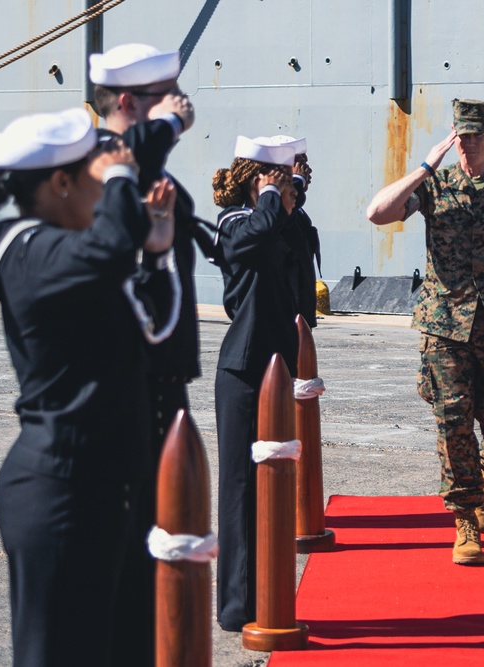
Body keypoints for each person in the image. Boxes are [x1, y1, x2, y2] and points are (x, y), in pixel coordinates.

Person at [0, 108, 175, 666]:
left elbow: (153, 333)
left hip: (104, 484)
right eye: (97, 170)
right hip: (60, 492)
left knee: (117, 647)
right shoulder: (29, 250)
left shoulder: (69, 257)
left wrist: (157, 252)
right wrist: (119, 179)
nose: (113, 185)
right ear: (61, 183)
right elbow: (109, 251)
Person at [366, 99, 484, 565]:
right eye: (462, 133)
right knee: (452, 421)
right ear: (453, 134)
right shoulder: (433, 187)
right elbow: (377, 213)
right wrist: (423, 166)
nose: (469, 141)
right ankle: (465, 516)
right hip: (444, 326)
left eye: (478, 133)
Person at [89, 43, 201, 663]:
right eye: (167, 96)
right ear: (131, 103)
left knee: (161, 551)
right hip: (132, 387)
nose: (182, 105)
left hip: (161, 380)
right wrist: (167, 127)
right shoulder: (100, 167)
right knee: (133, 561)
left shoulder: (136, 165)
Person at [212, 136, 302, 631]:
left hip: (277, 366)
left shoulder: (274, 222)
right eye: (279, 179)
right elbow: (254, 235)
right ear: (257, 181)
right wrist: (269, 197)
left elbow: (294, 239)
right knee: (241, 490)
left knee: (274, 491)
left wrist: (289, 195)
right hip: (244, 371)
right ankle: (235, 606)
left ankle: (267, 592)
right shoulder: (231, 222)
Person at [271, 134, 321, 327]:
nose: (305, 169)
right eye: (298, 163)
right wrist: (297, 181)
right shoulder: (269, 204)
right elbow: (281, 212)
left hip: (299, 309)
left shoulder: (298, 211)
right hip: (283, 311)